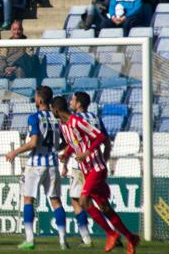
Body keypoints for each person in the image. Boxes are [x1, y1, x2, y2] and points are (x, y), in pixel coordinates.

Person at [52, 96, 140, 254]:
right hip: (87, 170)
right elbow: (75, 143)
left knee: (84, 200)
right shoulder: (63, 125)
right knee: (106, 208)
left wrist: (87, 152)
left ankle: (111, 234)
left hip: (96, 167)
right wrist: (66, 154)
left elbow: (100, 136)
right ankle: (130, 237)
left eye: (52, 110)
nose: (52, 113)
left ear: (56, 110)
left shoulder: (76, 121)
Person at [5, 86, 67, 250]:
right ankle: (62, 240)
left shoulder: (34, 117)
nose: (35, 99)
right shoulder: (57, 119)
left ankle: (30, 239)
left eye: (35, 97)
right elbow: (67, 141)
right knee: (55, 201)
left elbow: (33, 142)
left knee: (28, 200)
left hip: (36, 164)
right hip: (52, 164)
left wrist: (14, 152)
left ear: (39, 100)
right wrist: (56, 148)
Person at [60, 92, 111, 249]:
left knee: (76, 202)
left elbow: (75, 142)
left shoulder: (76, 120)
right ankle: (115, 234)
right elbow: (106, 141)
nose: (70, 102)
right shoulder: (95, 117)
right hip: (97, 165)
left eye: (73, 100)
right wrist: (103, 160)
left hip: (81, 165)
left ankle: (86, 238)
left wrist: (67, 160)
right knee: (102, 203)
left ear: (79, 104)